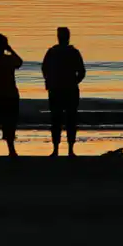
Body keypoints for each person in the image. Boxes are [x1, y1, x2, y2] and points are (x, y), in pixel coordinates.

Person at [41, 27, 86, 157]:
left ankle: (58, 149)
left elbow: (44, 69)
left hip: (58, 90)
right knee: (69, 120)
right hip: (67, 89)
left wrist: (49, 82)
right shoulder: (72, 52)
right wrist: (73, 82)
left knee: (57, 120)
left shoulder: (53, 52)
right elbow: (82, 72)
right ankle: (69, 150)